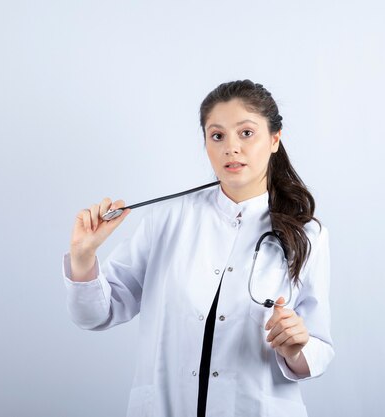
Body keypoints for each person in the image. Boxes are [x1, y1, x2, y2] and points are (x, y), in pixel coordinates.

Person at [62, 79, 334, 417]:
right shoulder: (167, 219)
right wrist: (84, 256)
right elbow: (95, 314)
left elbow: (319, 348)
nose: (231, 148)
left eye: (246, 133)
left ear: (275, 139)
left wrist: (297, 347)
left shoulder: (307, 233)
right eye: (217, 135)